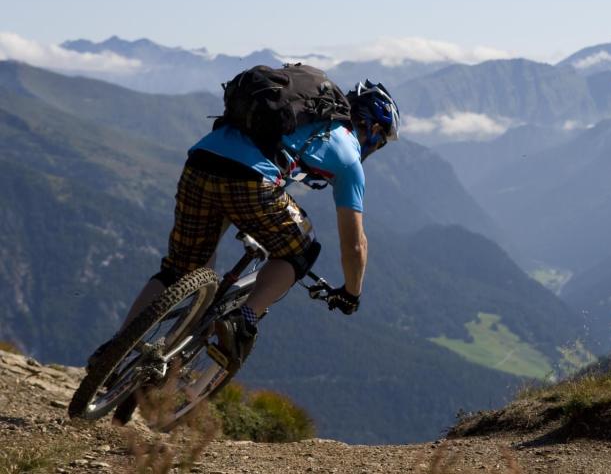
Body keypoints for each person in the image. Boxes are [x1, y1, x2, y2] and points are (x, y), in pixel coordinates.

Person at [91, 77, 400, 385]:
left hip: (199, 164)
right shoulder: (348, 155)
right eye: (381, 140)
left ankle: (115, 350)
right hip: (251, 182)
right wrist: (351, 293)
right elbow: (355, 246)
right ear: (373, 129)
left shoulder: (301, 118)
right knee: (303, 249)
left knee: (178, 271)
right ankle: (245, 319)